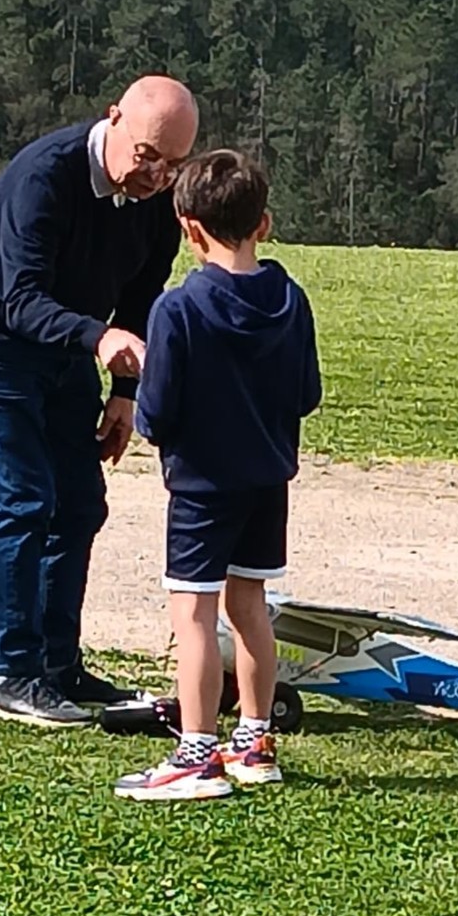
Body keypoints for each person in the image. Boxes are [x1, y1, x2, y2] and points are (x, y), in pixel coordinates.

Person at [0, 76, 200, 728]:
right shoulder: (44, 176)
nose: (157, 176)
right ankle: (13, 675)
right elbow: (20, 300)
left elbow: (142, 294)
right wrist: (98, 338)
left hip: (69, 347)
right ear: (113, 119)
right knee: (26, 499)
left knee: (80, 503)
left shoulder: (155, 200)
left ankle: (58, 667)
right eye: (147, 156)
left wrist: (125, 394)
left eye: (173, 165)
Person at [115, 149, 322, 801]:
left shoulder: (176, 310)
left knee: (194, 616)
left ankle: (196, 753)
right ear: (264, 224)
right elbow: (307, 395)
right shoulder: (291, 301)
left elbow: (154, 416)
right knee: (250, 608)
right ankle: (254, 742)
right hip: (268, 483)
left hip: (202, 489)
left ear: (188, 228)